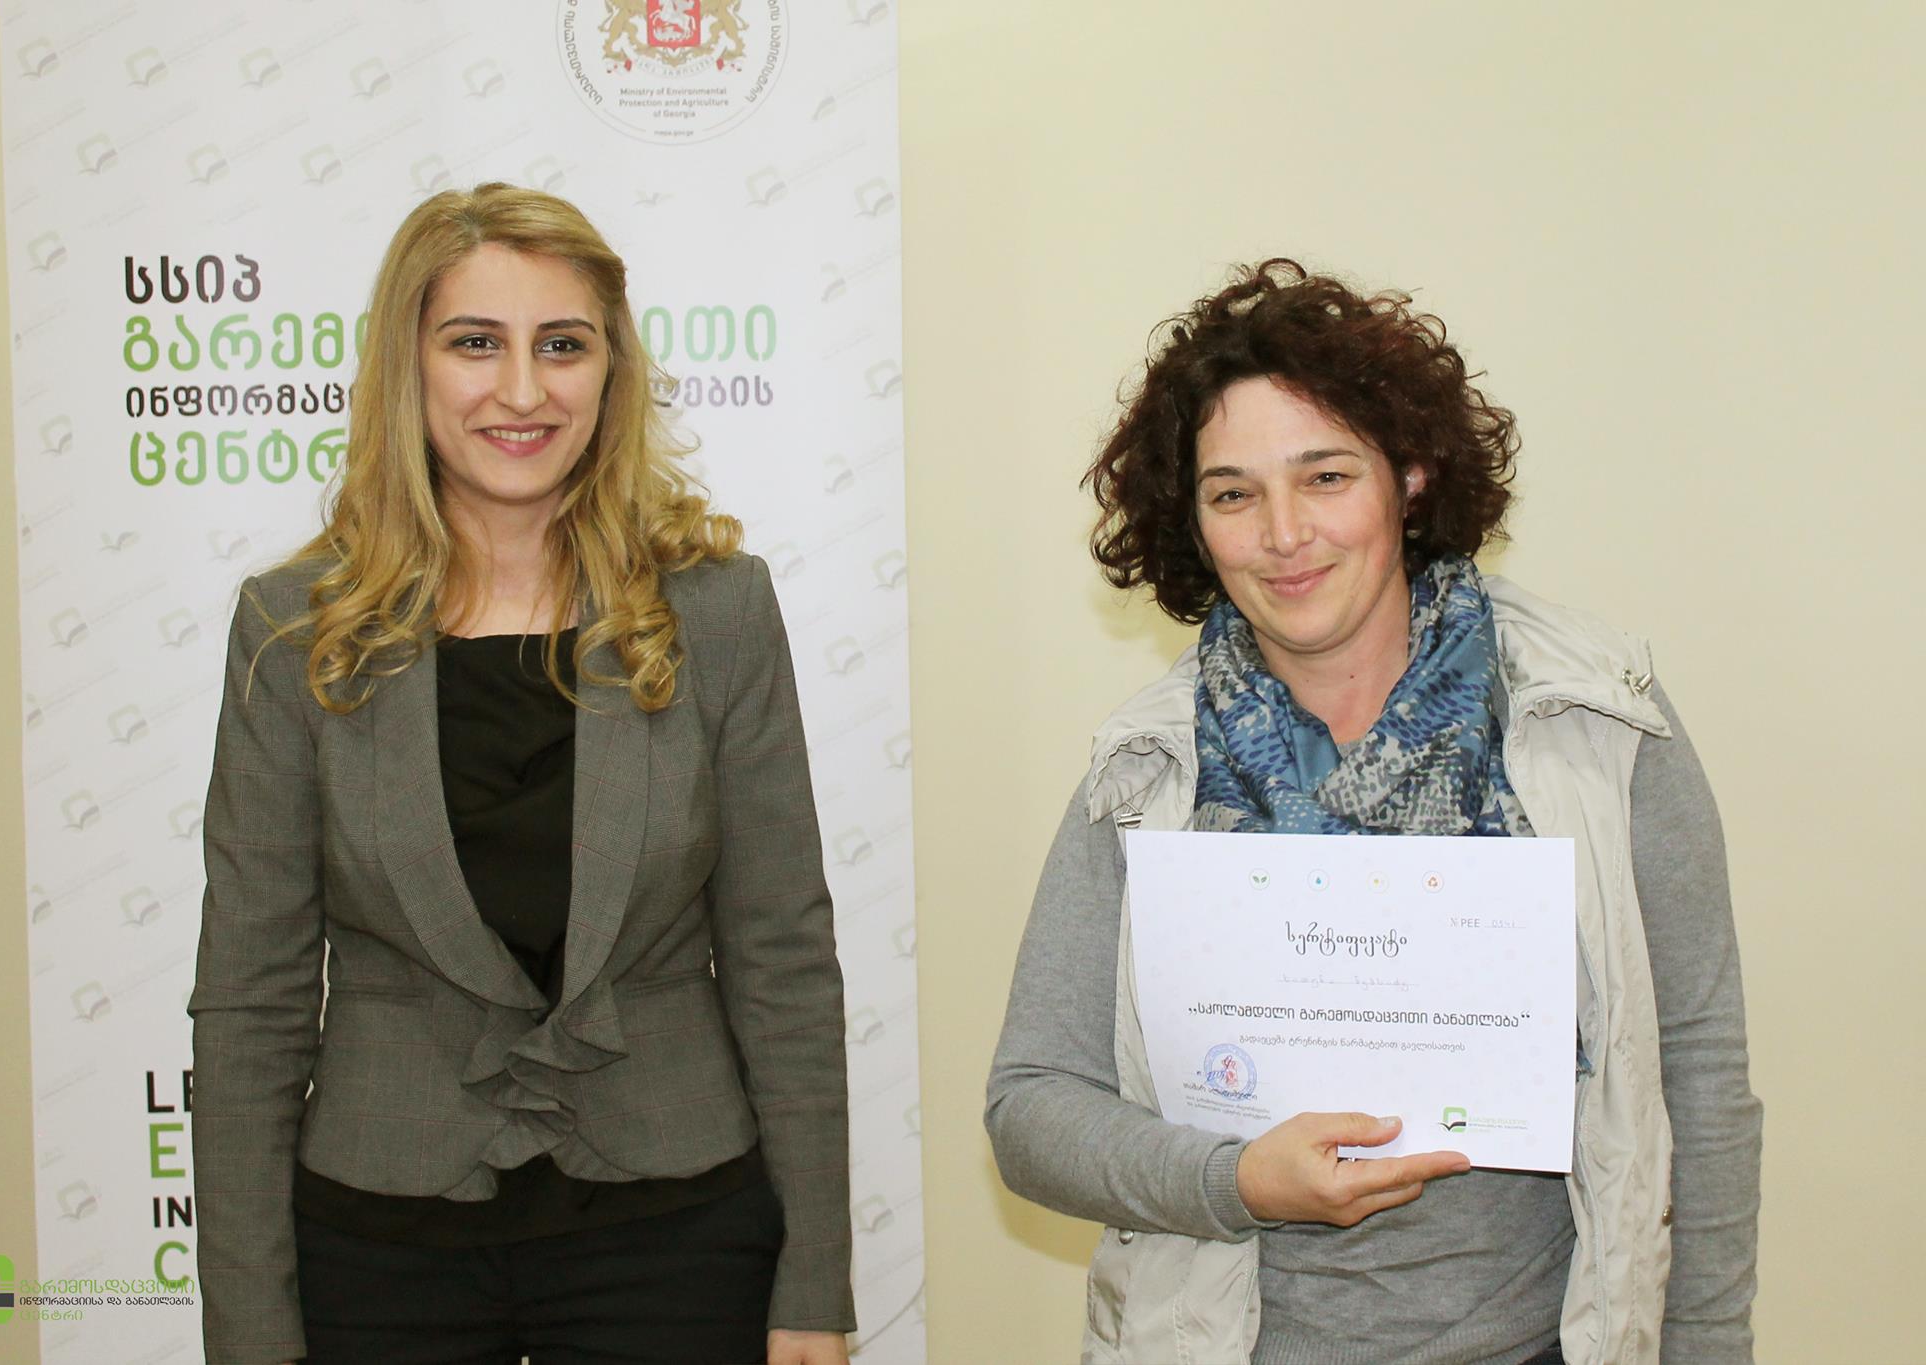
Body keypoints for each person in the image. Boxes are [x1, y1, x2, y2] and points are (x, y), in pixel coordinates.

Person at [985, 260, 1761, 1365]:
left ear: (1409, 477)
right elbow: (1031, 1108)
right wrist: (1234, 1180)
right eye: (1232, 494)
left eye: (1326, 476)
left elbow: (1697, 1077)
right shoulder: (1147, 769)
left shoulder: (1590, 720)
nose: (1283, 532)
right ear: (1192, 523)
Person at [190, 183, 854, 1365]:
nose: (521, 390)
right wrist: (247, 1328)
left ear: (611, 368)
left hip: (677, 1232)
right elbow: (252, 1001)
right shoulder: (293, 631)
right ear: (407, 366)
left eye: (561, 345)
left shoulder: (717, 612)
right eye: (472, 343)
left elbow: (782, 962)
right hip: (379, 1244)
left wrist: (813, 1284)